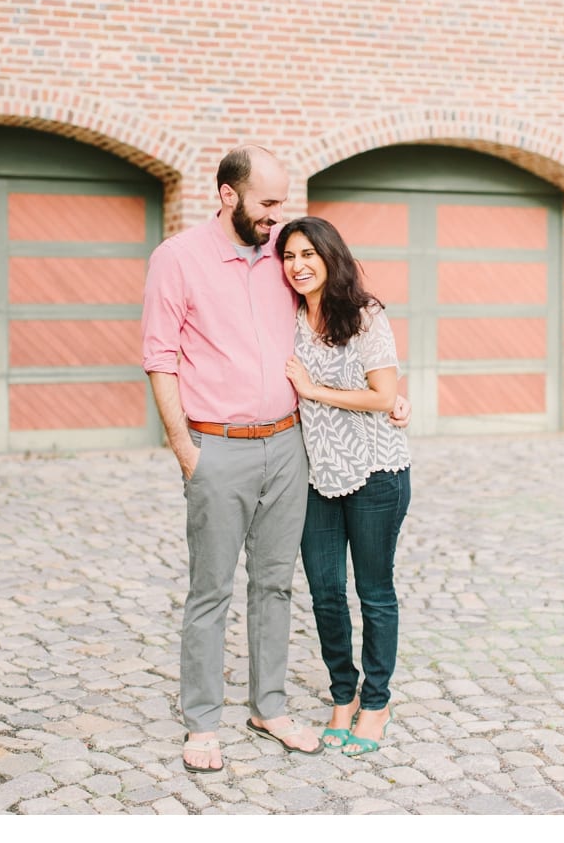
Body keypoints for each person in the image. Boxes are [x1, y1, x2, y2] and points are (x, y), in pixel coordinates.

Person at [141, 145, 408, 774]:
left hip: (290, 447)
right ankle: (203, 722)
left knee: (274, 585)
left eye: (281, 205)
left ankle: (270, 706)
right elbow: (160, 356)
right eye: (267, 204)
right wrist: (185, 449)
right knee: (210, 589)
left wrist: (394, 398)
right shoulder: (176, 259)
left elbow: (345, 326)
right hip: (217, 448)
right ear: (228, 195)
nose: (277, 217)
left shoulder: (282, 263)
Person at [276, 216, 412, 756]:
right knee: (326, 591)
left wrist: (314, 390)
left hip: (377, 471)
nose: (298, 265)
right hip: (316, 475)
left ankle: (375, 702)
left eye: (308, 253)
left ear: (330, 256)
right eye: (288, 256)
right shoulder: (284, 317)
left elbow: (383, 395)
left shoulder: (364, 316)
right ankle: (342, 695)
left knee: (374, 593)